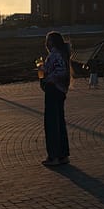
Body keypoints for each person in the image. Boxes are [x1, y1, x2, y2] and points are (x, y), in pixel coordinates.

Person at [40, 31, 71, 167]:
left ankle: (54, 156)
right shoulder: (62, 54)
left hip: (54, 90)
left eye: (47, 40)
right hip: (60, 90)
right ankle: (63, 154)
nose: (46, 43)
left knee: (52, 123)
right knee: (59, 122)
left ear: (52, 42)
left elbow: (60, 71)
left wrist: (48, 78)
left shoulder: (55, 55)